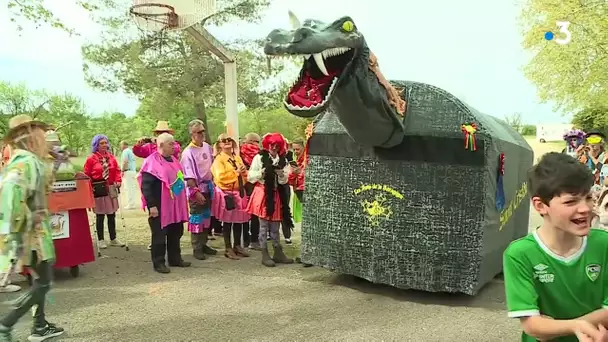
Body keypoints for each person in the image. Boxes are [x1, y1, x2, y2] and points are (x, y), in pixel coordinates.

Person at [504, 152, 608, 342]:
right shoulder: (519, 254)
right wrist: (575, 326)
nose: (585, 208)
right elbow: (531, 325)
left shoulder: (604, 244)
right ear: (541, 205)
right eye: (570, 201)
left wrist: (556, 327)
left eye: (588, 197)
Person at [0, 114, 64, 341]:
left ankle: (39, 325)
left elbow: (42, 190)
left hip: (37, 235)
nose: (44, 138)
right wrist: (21, 228)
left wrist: (55, 164)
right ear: (28, 137)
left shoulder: (29, 161)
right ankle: (6, 324)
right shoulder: (25, 162)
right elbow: (10, 194)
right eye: (39, 133)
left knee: (41, 281)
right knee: (43, 282)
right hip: (31, 237)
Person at [138, 133, 191, 273]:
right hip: (160, 204)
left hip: (175, 204)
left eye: (174, 143)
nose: (174, 146)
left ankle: (175, 259)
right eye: (170, 144)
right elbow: (146, 186)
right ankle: (159, 262)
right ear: (161, 145)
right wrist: (152, 205)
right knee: (159, 234)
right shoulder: (151, 162)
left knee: (176, 232)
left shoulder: (173, 160)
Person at [246, 133, 294, 267]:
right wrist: (261, 172)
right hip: (263, 194)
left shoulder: (283, 160)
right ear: (267, 145)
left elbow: (285, 180)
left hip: (276, 194)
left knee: (275, 225)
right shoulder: (259, 158)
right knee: (263, 226)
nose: (274, 147)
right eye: (272, 144)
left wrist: (281, 175)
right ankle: (264, 253)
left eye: (277, 145)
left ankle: (278, 252)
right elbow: (250, 177)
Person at [180, 120, 217, 260]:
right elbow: (188, 175)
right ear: (192, 134)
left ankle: (204, 243)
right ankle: (196, 247)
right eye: (198, 132)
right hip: (197, 189)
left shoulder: (207, 147)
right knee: (197, 218)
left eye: (203, 131)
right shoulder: (188, 153)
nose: (202, 134)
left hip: (208, 187)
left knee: (207, 217)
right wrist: (195, 192)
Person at [211, 133, 250, 260]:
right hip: (228, 193)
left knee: (239, 220)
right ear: (220, 145)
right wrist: (236, 173)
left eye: (229, 140)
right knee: (227, 222)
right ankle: (228, 248)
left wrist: (244, 172)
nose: (227, 142)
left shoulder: (236, 157)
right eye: (223, 140)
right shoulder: (218, 160)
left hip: (239, 192)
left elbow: (243, 175)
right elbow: (220, 177)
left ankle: (237, 245)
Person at [84, 135, 125, 249]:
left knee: (112, 214)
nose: (104, 145)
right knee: (100, 214)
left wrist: (118, 180)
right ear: (96, 145)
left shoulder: (111, 157)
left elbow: (117, 170)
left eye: (105, 143)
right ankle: (101, 239)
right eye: (101, 143)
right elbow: (87, 175)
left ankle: (113, 238)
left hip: (111, 187)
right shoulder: (91, 159)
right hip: (98, 187)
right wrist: (89, 188)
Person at [240, 132, 261, 248]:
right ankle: (254, 240)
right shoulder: (259, 155)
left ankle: (245, 240)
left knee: (244, 213)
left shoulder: (238, 153)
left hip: (242, 186)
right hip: (254, 186)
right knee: (255, 214)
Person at [577, 130, 608, 194]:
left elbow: (605, 171)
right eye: (591, 140)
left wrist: (592, 157)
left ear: (601, 143)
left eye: (596, 139)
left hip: (602, 191)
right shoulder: (584, 157)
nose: (593, 143)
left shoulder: (606, 156)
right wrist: (576, 155)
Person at [120, 141, 139, 210]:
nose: (120, 147)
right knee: (132, 188)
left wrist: (122, 170)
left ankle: (130, 204)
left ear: (124, 145)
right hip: (133, 171)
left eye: (121, 145)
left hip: (128, 171)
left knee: (128, 188)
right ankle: (132, 203)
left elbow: (125, 161)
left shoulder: (125, 151)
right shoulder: (130, 151)